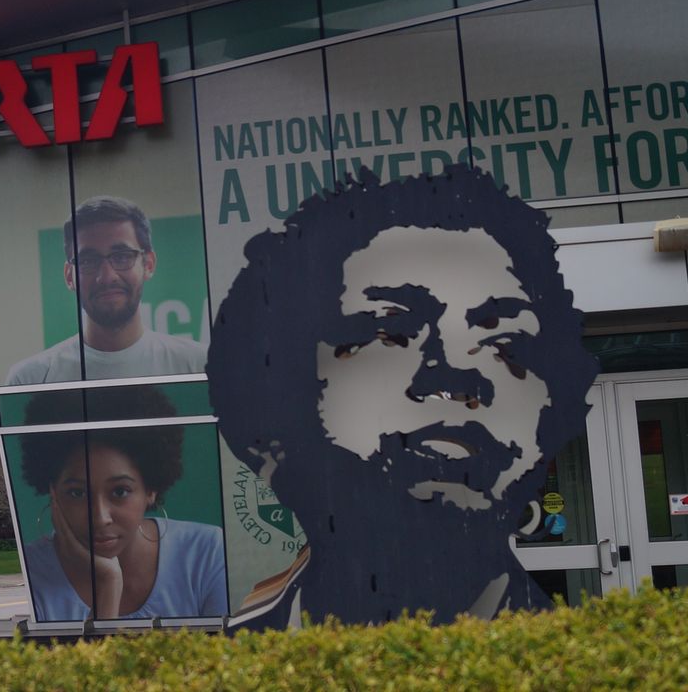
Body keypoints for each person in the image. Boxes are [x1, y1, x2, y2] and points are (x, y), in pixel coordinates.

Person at [207, 165, 598, 629]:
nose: (458, 372)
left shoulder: (582, 661)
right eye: (389, 332)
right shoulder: (240, 657)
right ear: (273, 423)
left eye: (505, 344)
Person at [16, 386, 228, 621]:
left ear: (151, 489)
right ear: (53, 492)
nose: (100, 518)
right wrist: (108, 586)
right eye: (77, 493)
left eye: (119, 491)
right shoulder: (34, 570)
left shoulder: (207, 553)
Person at [5, 196, 205, 384]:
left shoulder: (200, 366)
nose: (107, 276)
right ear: (69, 276)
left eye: (122, 257)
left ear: (149, 264)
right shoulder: (30, 380)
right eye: (88, 261)